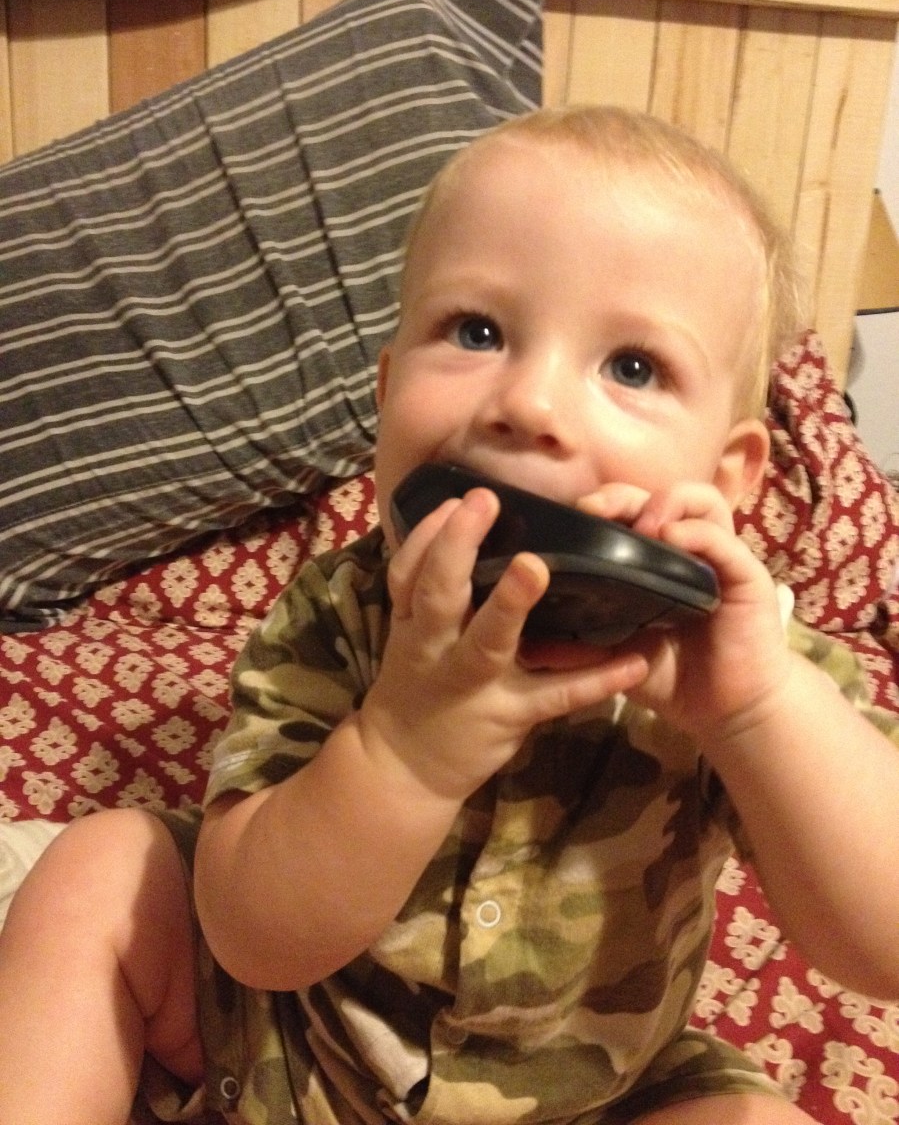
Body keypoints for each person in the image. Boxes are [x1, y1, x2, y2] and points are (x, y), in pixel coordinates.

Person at [0, 105, 897, 1125]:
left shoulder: (746, 660)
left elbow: (881, 951)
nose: (530, 405)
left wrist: (755, 712)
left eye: (632, 367)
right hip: (293, 1054)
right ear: (387, 396)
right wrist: (405, 749)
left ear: (728, 475)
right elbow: (251, 938)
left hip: (590, 1098)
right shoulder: (343, 616)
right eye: (476, 332)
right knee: (104, 872)